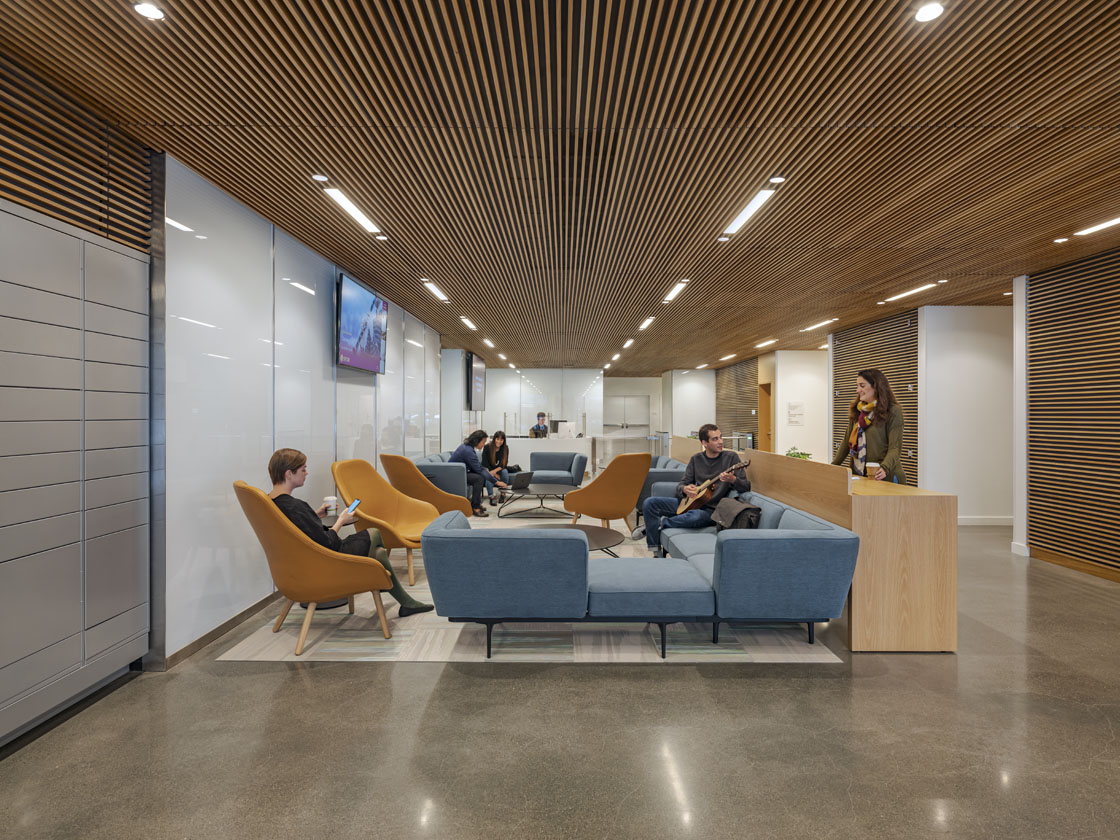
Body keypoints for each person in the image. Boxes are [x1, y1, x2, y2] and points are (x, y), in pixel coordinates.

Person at [266, 448, 432, 617]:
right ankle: (391, 589)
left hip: (302, 565)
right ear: (289, 474)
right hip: (328, 561)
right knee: (374, 534)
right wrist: (340, 521)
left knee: (379, 553)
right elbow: (328, 542)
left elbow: (296, 528)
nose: (306, 473)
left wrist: (315, 515)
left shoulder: (270, 503)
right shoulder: (296, 506)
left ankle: (400, 597)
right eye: (303, 469)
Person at [642, 424, 749, 555]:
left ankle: (659, 524)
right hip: (690, 503)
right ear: (704, 442)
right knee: (650, 503)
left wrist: (732, 479)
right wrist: (685, 489)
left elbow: (745, 486)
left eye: (721, 437)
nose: (721, 442)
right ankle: (655, 549)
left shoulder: (731, 458)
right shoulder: (696, 459)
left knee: (695, 516)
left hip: (711, 510)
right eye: (715, 439)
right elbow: (682, 484)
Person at [831, 368, 906, 483]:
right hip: (861, 476)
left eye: (862, 386)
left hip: (885, 477)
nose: (858, 390)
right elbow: (846, 443)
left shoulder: (893, 411)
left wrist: (884, 467)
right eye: (857, 386)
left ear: (876, 386)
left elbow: (895, 448)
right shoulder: (858, 411)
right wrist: (832, 467)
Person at [449, 430, 509, 516]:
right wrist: (496, 482)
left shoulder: (467, 447)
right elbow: (480, 469)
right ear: (478, 441)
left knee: (479, 476)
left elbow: (478, 467)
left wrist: (485, 471)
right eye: (483, 442)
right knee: (479, 479)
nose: (484, 444)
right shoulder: (468, 451)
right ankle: (475, 508)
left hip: (460, 473)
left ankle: (475, 503)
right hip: (456, 475)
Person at [481, 429, 511, 506]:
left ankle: (503, 494)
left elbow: (504, 464)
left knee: (504, 472)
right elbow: (484, 464)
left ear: (504, 441)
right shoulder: (487, 447)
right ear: (494, 439)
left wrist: (495, 472)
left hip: (499, 470)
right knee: (489, 476)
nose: (499, 441)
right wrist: (494, 474)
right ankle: (491, 496)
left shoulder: (505, 448)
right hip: (489, 470)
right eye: (497, 439)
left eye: (501, 440)